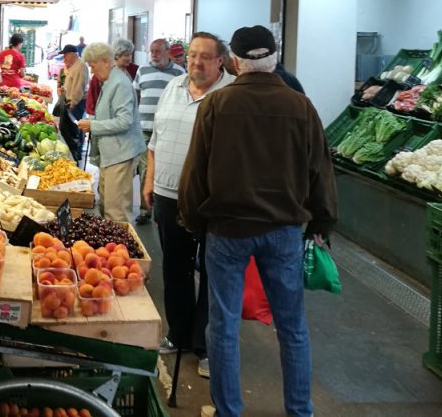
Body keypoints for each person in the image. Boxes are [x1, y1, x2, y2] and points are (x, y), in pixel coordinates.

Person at [178, 25, 337, 417]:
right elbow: (320, 169)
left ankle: (229, 410)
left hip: (227, 230)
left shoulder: (216, 105)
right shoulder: (301, 107)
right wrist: (321, 221)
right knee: (292, 327)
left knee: (224, 326)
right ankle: (300, 410)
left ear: (234, 62)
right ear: (274, 58)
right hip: (283, 231)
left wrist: (195, 221)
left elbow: (195, 173)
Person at [140, 33, 231, 379]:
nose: (197, 62)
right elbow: (155, 140)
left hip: (212, 201)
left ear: (220, 60)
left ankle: (206, 345)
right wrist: (149, 181)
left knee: (213, 273)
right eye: (193, 56)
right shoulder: (173, 87)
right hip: (167, 193)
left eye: (205, 56)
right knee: (175, 269)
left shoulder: (231, 94)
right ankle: (178, 334)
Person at [77, 42, 145, 223]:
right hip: (111, 155)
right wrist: (92, 122)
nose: (92, 71)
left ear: (106, 61)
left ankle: (121, 250)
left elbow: (124, 121)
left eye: (93, 66)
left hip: (120, 155)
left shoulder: (119, 84)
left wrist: (93, 126)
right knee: (107, 205)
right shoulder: (109, 81)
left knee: (117, 212)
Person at [133, 38, 186, 225]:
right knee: (145, 169)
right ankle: (146, 209)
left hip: (166, 132)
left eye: (158, 51)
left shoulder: (180, 74)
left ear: (167, 52)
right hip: (144, 130)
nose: (154, 54)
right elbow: (137, 95)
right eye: (152, 51)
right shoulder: (142, 70)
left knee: (162, 170)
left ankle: (161, 208)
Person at [87, 38, 138, 116]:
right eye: (126, 55)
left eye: (131, 54)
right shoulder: (100, 74)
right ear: (116, 56)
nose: (130, 58)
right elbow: (92, 103)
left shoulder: (134, 70)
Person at [58, 44, 88, 162]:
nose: (64, 58)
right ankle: (71, 154)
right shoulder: (75, 66)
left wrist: (73, 103)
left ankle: (75, 155)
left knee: (73, 131)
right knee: (67, 131)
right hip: (70, 102)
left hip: (76, 104)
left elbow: (79, 87)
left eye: (65, 55)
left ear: (72, 54)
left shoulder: (80, 66)